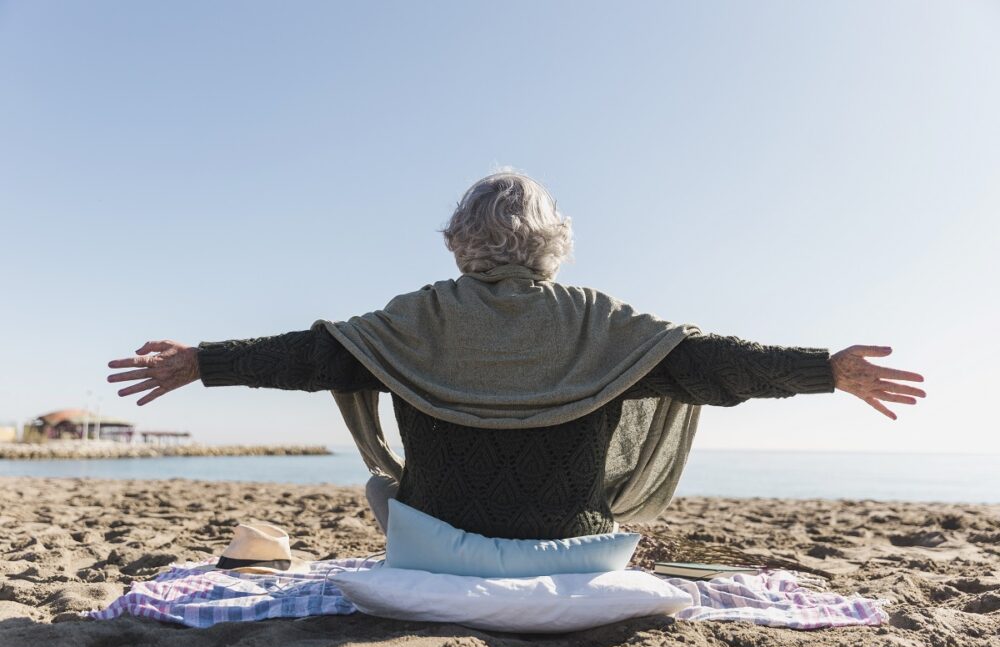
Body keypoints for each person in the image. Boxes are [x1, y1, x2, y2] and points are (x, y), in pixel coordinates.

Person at [107, 170, 925, 540]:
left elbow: (313, 356)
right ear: (555, 242)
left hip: (434, 540)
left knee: (377, 481)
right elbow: (714, 363)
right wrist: (827, 369)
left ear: (460, 241)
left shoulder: (414, 318)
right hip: (575, 539)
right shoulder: (603, 322)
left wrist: (203, 360)